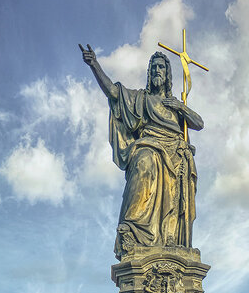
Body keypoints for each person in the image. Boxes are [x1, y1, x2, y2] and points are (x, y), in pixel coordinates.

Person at [79, 44, 203, 257]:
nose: (157, 71)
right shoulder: (141, 98)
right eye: (153, 68)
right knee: (144, 162)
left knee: (175, 196)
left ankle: (170, 238)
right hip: (150, 146)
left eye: (161, 68)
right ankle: (134, 229)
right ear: (149, 73)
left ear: (167, 74)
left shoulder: (175, 104)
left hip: (176, 153)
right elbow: (113, 92)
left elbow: (199, 123)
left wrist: (180, 106)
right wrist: (95, 65)